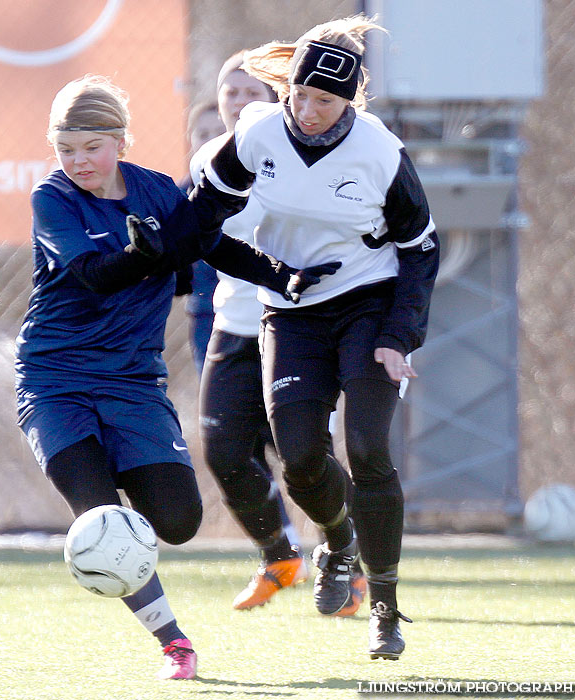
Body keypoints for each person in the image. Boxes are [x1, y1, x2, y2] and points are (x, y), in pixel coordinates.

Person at [14, 74, 339, 680]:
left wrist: (283, 275)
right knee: (103, 520)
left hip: (133, 382)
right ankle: (175, 643)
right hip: (55, 378)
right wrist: (143, 256)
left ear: (121, 142)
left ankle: (128, 514)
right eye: (66, 148)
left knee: (178, 522)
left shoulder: (160, 191)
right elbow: (94, 275)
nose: (79, 160)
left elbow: (212, 246)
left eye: (92, 146)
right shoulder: (52, 199)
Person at [185, 16, 440, 659]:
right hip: (291, 311)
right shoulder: (259, 132)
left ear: (349, 102)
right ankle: (337, 540)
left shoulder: (381, 152)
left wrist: (399, 336)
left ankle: (385, 609)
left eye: (324, 101)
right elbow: (203, 209)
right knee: (298, 456)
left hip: (370, 305)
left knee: (367, 449)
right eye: (299, 96)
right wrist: (153, 251)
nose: (307, 110)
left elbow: (420, 249)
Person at [192, 51, 370, 614]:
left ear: (277, 101)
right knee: (222, 450)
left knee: (305, 459)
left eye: (252, 92)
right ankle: (279, 555)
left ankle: (345, 559)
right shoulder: (207, 163)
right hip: (234, 324)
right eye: (230, 91)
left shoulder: (304, 160)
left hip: (300, 328)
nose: (240, 101)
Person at [177, 102, 225, 375]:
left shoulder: (260, 183)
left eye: (219, 131)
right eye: (202, 133)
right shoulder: (179, 195)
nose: (210, 141)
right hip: (206, 313)